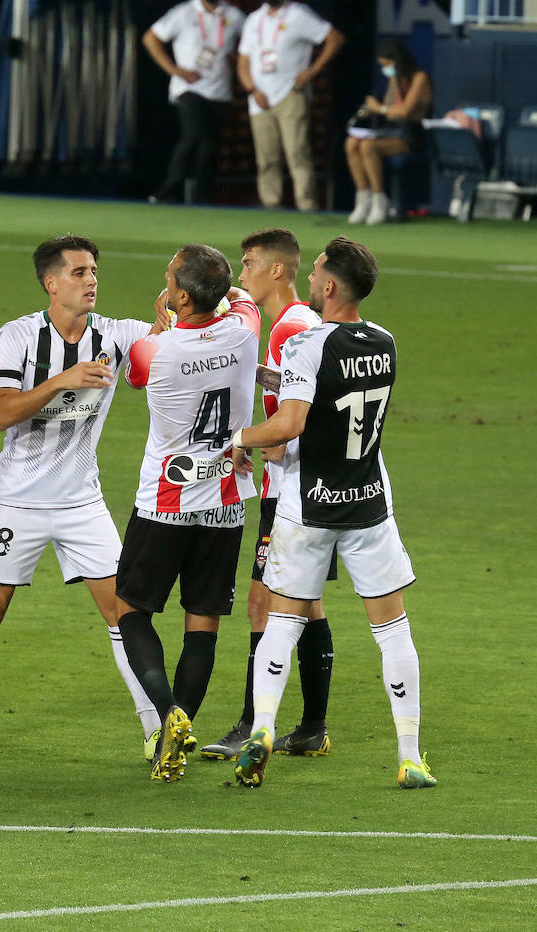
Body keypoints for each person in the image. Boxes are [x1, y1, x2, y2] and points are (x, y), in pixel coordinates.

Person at [0, 236, 167, 765]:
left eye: (94, 271)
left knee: (122, 611)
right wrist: (63, 379)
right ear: (52, 283)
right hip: (19, 500)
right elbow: (0, 412)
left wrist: (176, 317)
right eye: (79, 272)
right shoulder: (19, 336)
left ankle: (156, 729)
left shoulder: (117, 335)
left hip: (82, 502)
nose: (91, 280)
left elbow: (170, 346)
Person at [229, 236, 434, 790]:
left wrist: (240, 437)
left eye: (318, 272)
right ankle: (411, 755)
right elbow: (334, 395)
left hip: (307, 505)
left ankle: (263, 729)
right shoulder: (386, 342)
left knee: (282, 621)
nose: (313, 278)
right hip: (368, 504)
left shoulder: (307, 345)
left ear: (329, 286)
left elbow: (291, 424)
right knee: (392, 629)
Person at [115, 244, 260, 783]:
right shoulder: (245, 332)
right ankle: (181, 732)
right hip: (225, 502)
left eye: (170, 278)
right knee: (203, 622)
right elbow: (242, 300)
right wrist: (213, 298)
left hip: (165, 504)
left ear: (179, 295)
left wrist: (164, 319)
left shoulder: (154, 350)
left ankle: (168, 714)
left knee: (130, 609)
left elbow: (136, 376)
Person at [200, 228, 335, 762]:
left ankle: (254, 724)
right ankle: (313, 727)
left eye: (250, 262)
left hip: (294, 492)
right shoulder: (294, 325)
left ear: (278, 270)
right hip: (304, 486)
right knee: (306, 603)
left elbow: (301, 411)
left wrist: (263, 438)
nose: (241, 273)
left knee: (263, 604)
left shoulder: (293, 327)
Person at [236, 1, 344, 211]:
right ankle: (270, 204)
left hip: (290, 93)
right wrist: (252, 90)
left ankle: (306, 205)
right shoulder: (253, 20)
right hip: (260, 99)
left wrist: (311, 72)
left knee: (297, 153)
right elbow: (243, 62)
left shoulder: (298, 14)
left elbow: (335, 38)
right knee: (266, 158)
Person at [142, 1, 246, 204]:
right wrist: (174, 69)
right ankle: (167, 190)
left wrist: (237, 60)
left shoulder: (233, 15)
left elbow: (251, 43)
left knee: (210, 145)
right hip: (189, 88)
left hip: (219, 90)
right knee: (193, 136)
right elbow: (150, 38)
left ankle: (201, 197)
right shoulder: (183, 12)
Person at [345, 39, 433, 226]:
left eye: (387, 65)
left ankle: (379, 199)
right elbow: (389, 107)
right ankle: (363, 198)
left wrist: (379, 108)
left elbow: (404, 111)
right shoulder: (394, 79)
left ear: (398, 61)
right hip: (391, 130)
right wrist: (375, 107)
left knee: (368, 146)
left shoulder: (420, 78)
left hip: (411, 134)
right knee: (351, 143)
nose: (385, 70)